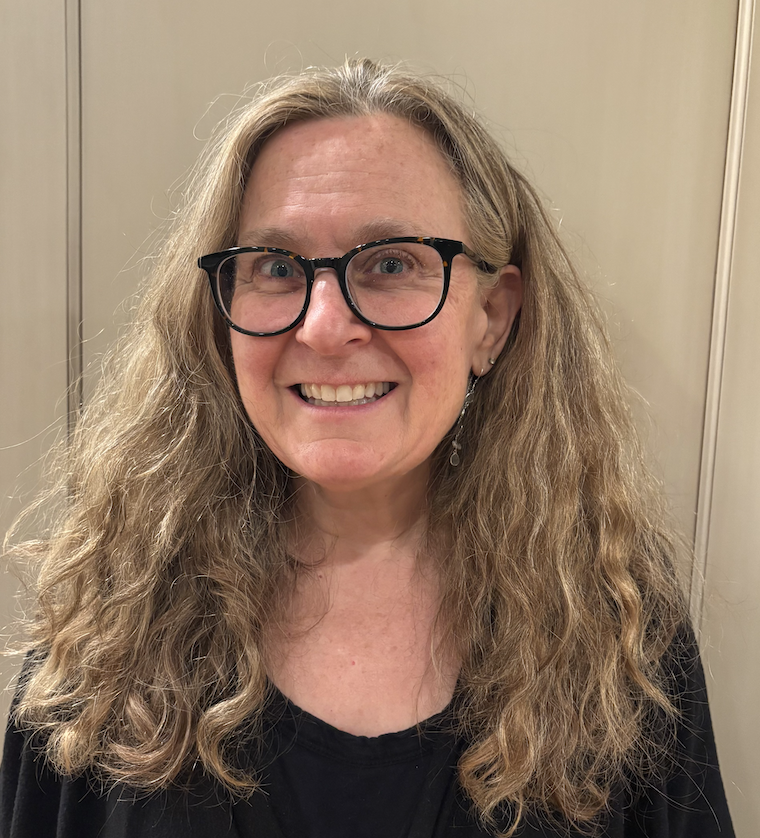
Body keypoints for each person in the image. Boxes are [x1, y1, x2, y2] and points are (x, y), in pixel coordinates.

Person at [0, 59, 734, 838]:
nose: (321, 327)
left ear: (491, 317)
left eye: (390, 264)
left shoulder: (615, 635)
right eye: (276, 267)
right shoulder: (112, 623)